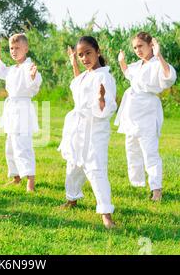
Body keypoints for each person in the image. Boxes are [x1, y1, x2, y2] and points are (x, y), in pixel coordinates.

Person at [58, 36, 117, 229]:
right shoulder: (85, 75)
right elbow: (78, 86)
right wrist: (73, 63)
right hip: (78, 128)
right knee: (74, 165)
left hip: (95, 129)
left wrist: (102, 101)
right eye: (81, 55)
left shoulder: (104, 76)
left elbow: (107, 105)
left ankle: (106, 213)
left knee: (95, 168)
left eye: (88, 53)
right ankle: (72, 198)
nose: (84, 58)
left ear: (98, 52)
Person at [115, 32, 177, 201]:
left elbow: (169, 78)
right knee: (131, 147)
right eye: (135, 47)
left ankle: (156, 189)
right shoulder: (137, 65)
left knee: (149, 151)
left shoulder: (158, 64)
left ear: (151, 45)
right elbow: (129, 74)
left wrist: (159, 56)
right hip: (132, 111)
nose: (137, 50)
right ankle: (137, 183)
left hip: (147, 111)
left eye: (141, 46)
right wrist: (122, 62)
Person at [0, 34, 42, 192]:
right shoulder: (12, 69)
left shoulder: (29, 67)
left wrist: (33, 77)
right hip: (12, 109)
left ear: (26, 49)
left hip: (23, 109)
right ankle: (16, 177)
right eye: (11, 48)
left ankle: (30, 181)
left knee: (22, 146)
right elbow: (1, 71)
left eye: (17, 48)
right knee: (10, 146)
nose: (14, 51)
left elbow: (34, 85)